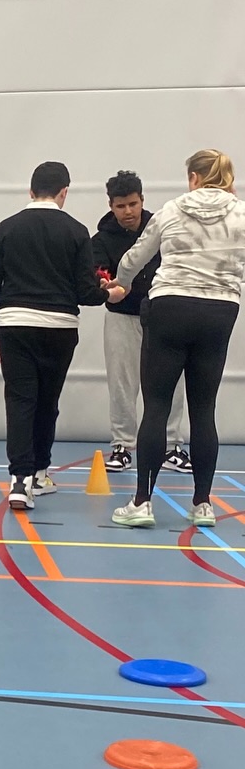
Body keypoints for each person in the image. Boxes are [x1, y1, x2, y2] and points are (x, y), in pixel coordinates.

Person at [107, 149, 245, 529]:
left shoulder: (172, 209)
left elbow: (134, 257)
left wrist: (121, 283)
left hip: (170, 308)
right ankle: (203, 504)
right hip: (220, 311)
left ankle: (142, 503)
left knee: (156, 406)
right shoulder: (241, 213)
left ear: (194, 179)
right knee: (204, 409)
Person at [0, 161, 104, 511]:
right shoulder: (78, 231)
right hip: (60, 328)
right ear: (64, 192)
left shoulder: (6, 228)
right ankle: (41, 472)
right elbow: (85, 292)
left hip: (15, 324)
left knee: (20, 401)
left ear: (30, 191)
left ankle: (19, 481)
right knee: (48, 400)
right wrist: (109, 293)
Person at [91, 171, 187, 473]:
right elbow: (98, 275)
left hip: (162, 317)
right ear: (111, 205)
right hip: (121, 319)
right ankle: (122, 445)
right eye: (121, 206)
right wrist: (108, 289)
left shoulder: (162, 229)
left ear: (142, 200)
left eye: (133, 204)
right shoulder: (100, 240)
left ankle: (171, 445)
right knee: (122, 383)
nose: (128, 211)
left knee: (172, 381)